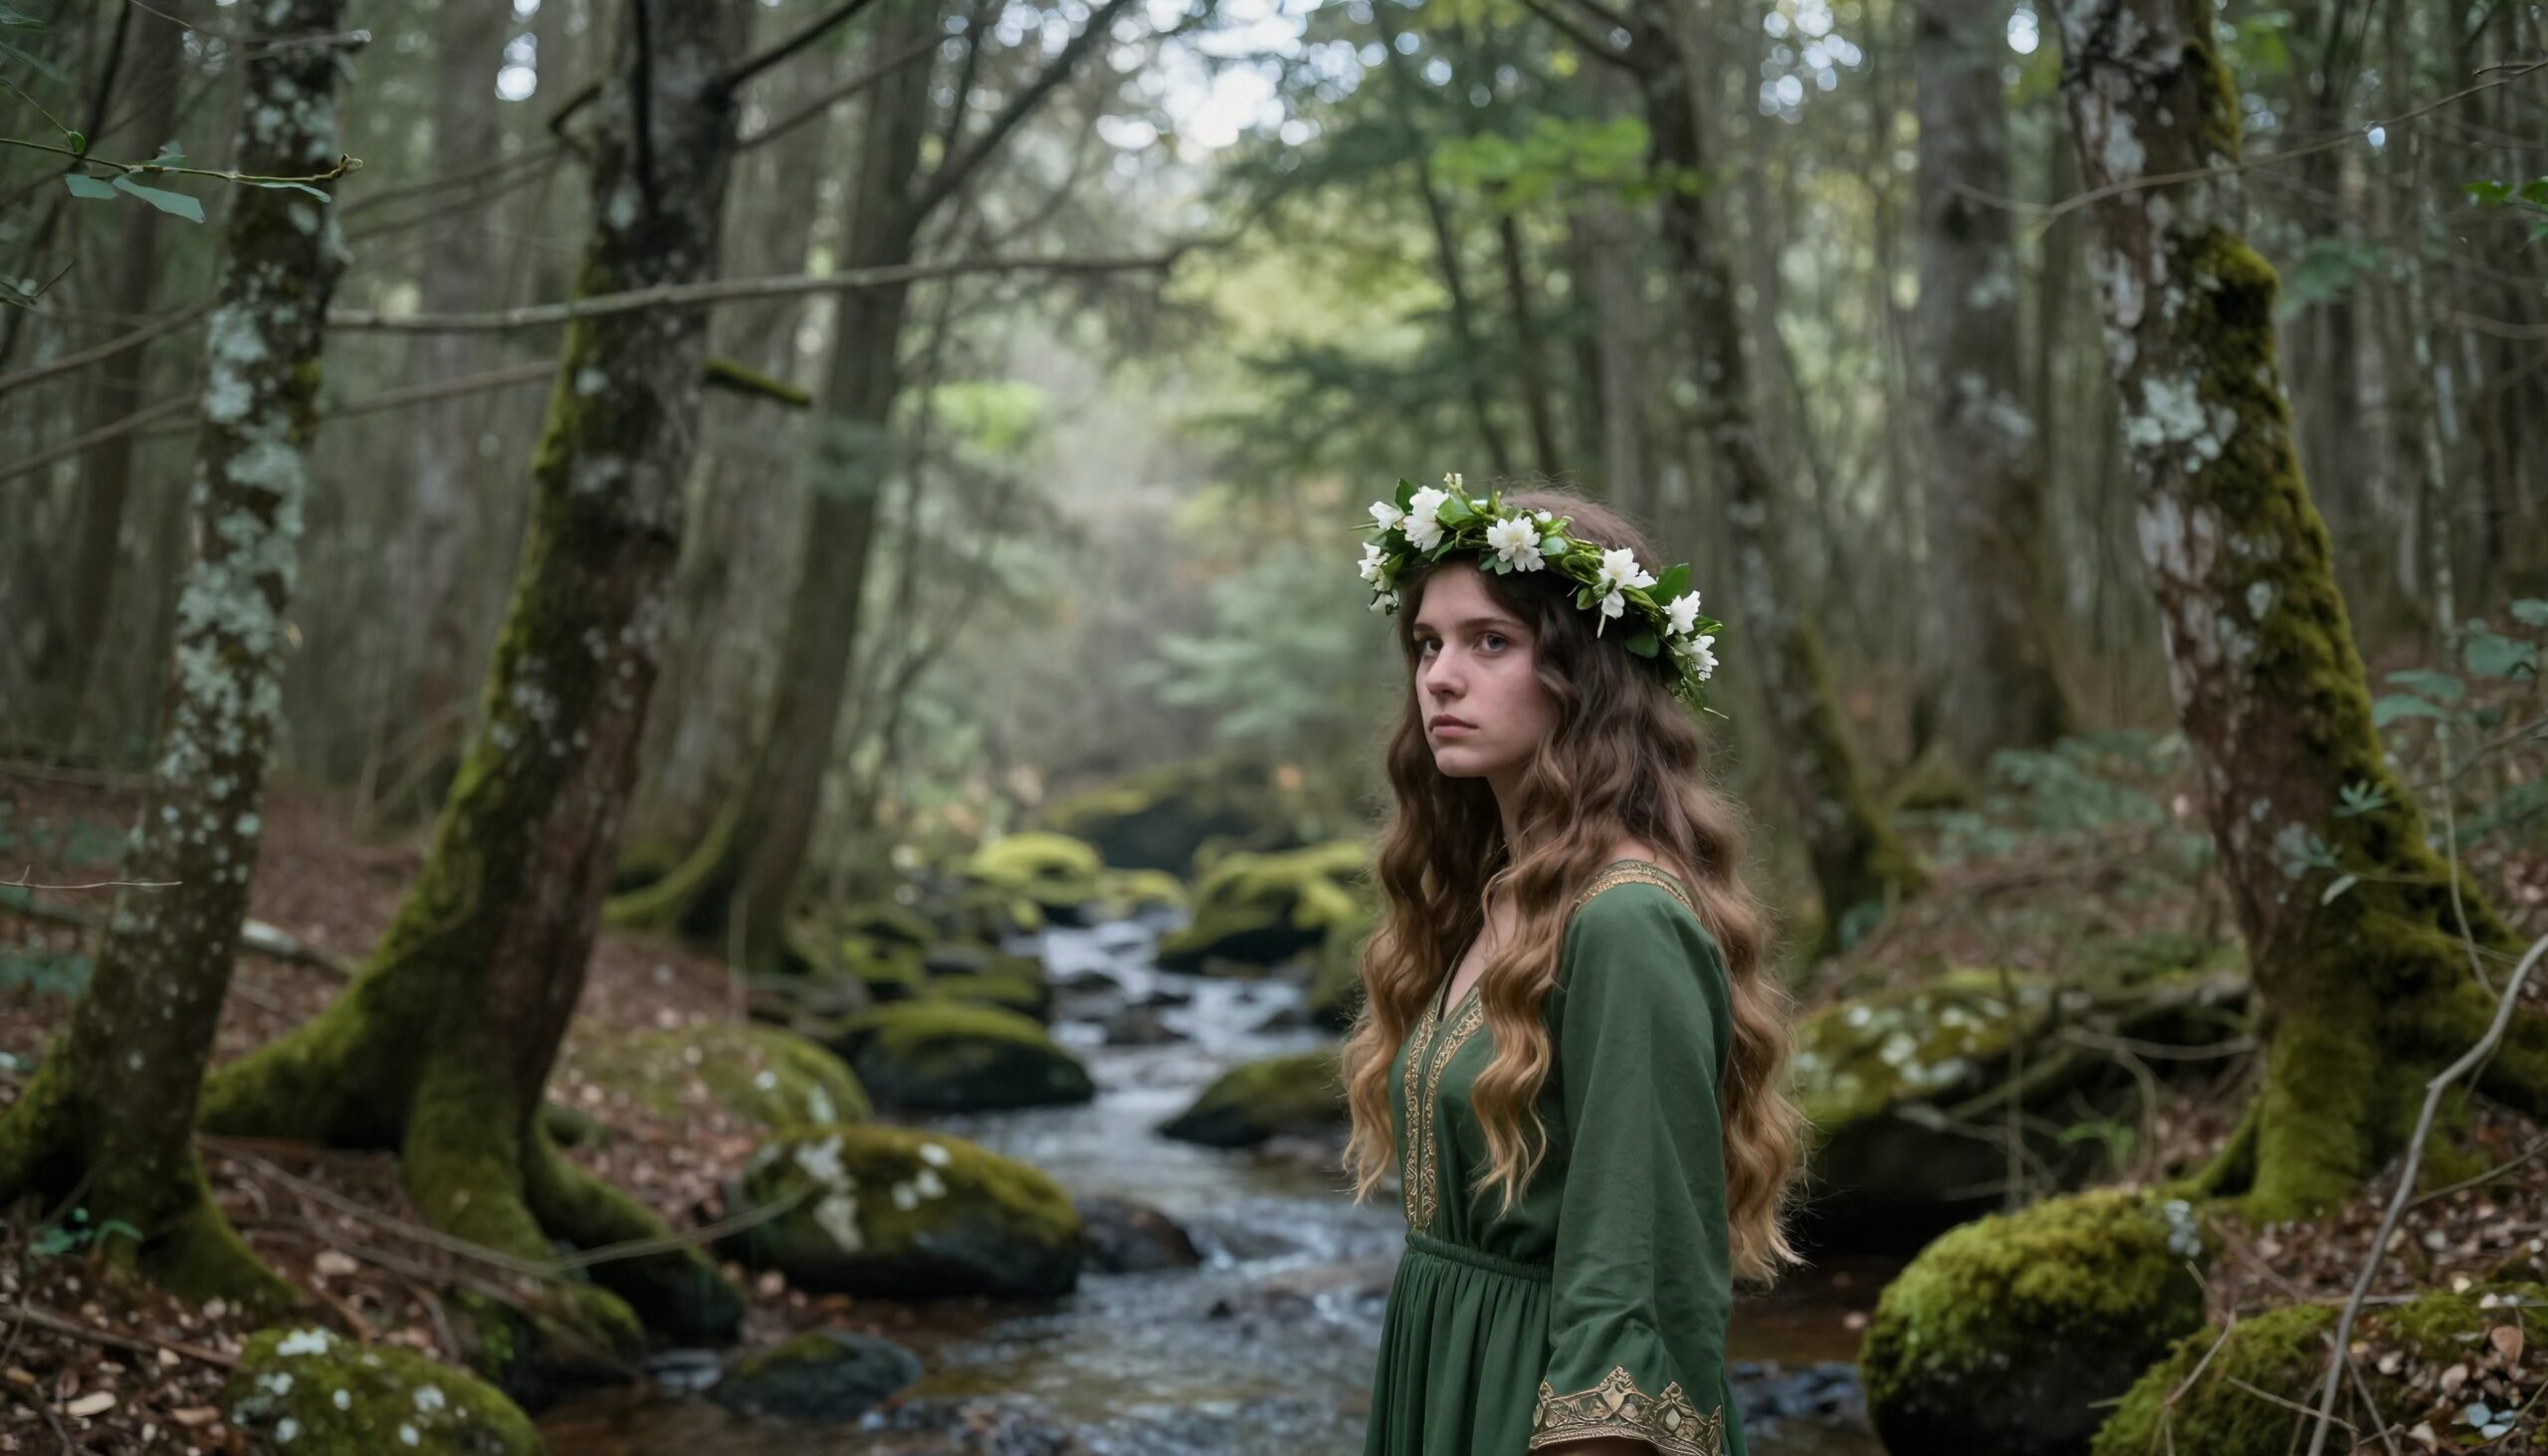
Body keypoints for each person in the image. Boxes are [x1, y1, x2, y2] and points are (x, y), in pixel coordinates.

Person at [1342, 479, 1805, 1456]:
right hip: (1449, 1368)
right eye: (1428, 643)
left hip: (1542, 1411)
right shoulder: (1487, 901)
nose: (1439, 676)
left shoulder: (1626, 921)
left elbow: (1636, 1276)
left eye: (1490, 641)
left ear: (1580, 671)